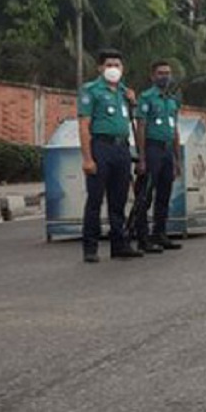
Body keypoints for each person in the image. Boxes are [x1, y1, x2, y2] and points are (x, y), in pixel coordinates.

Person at [78, 49, 142, 264]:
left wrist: (133, 102)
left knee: (119, 200)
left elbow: (130, 118)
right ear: (100, 68)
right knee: (95, 199)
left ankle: (119, 244)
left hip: (121, 148)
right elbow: (84, 125)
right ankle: (90, 247)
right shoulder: (91, 91)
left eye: (117, 65)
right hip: (101, 147)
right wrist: (88, 158)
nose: (113, 69)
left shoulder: (124, 92)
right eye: (109, 65)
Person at [131, 60, 184, 254]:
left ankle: (160, 233)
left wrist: (177, 160)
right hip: (151, 149)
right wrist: (142, 157)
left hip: (167, 150)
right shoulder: (146, 98)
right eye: (161, 73)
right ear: (152, 76)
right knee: (145, 196)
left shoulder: (171, 100)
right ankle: (142, 238)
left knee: (164, 195)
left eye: (168, 73)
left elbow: (175, 130)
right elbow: (141, 127)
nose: (165, 76)